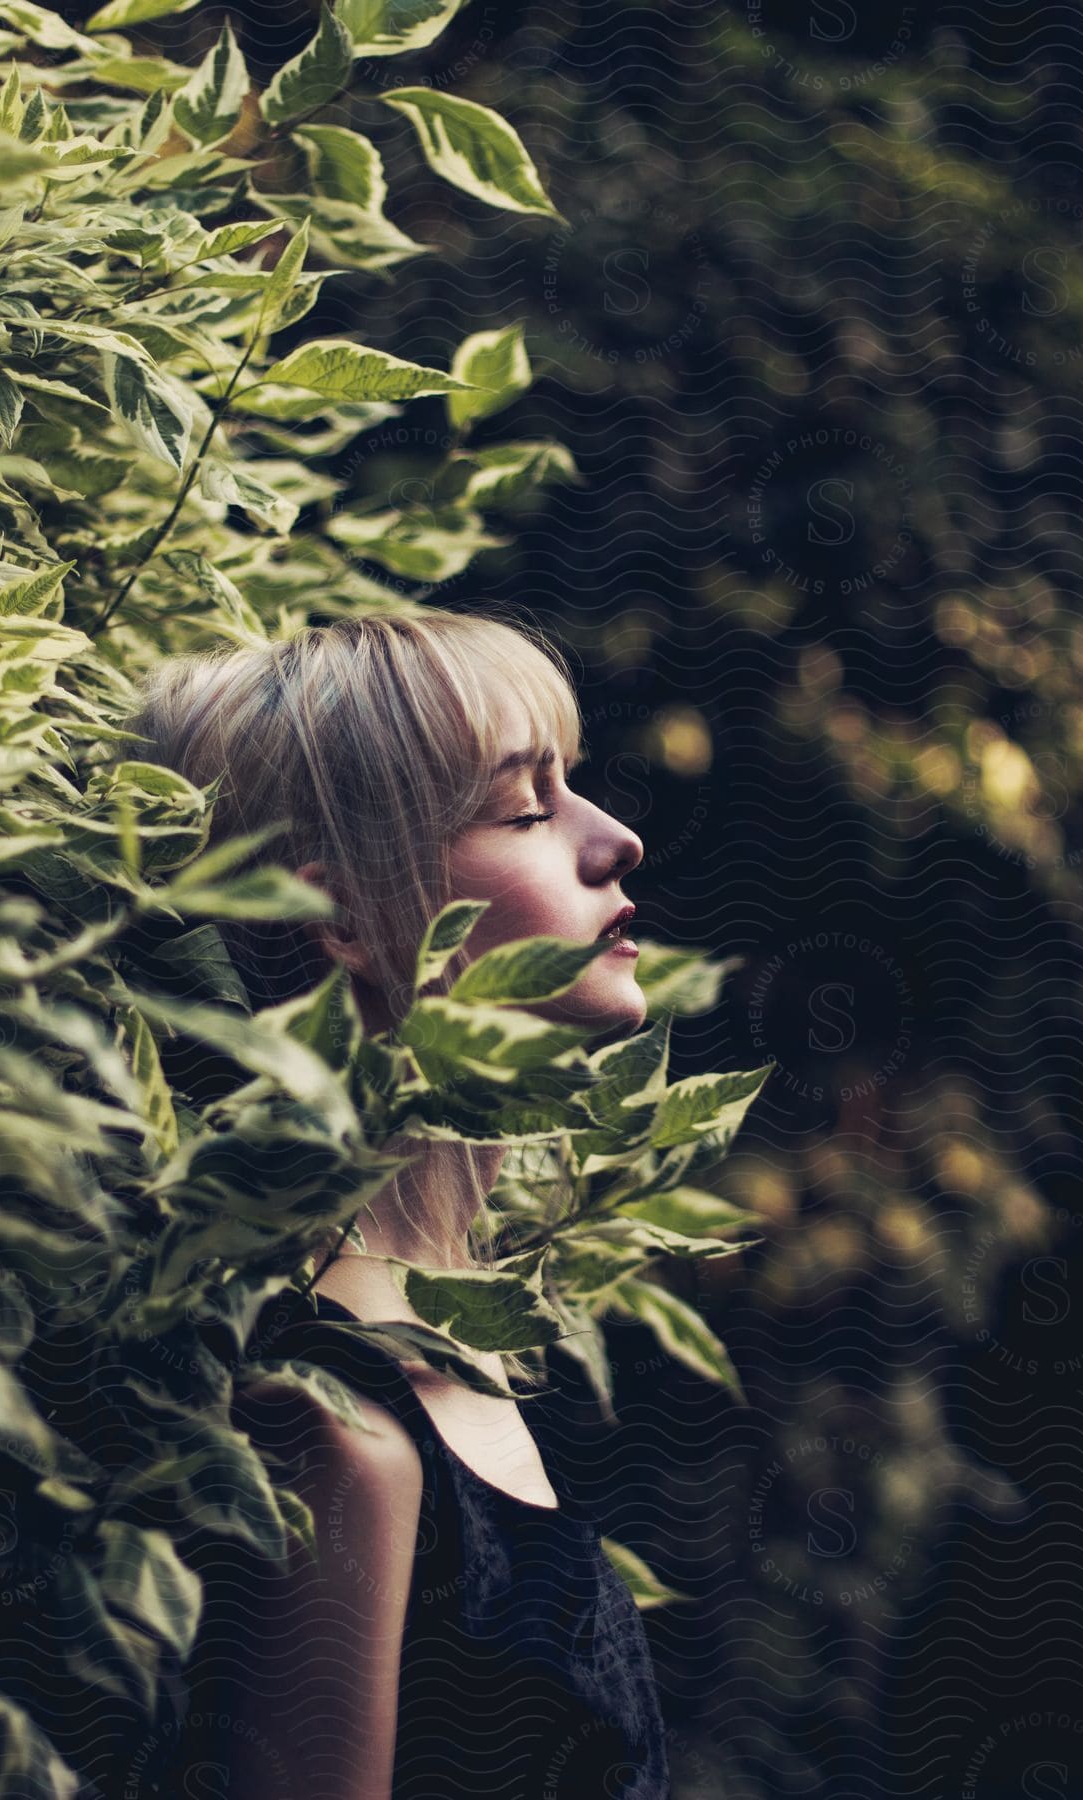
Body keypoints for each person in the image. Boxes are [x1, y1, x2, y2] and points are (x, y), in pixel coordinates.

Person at [126, 607, 672, 1800]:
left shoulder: (436, 1361)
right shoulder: (335, 1429)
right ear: (345, 922)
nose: (616, 839)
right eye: (525, 809)